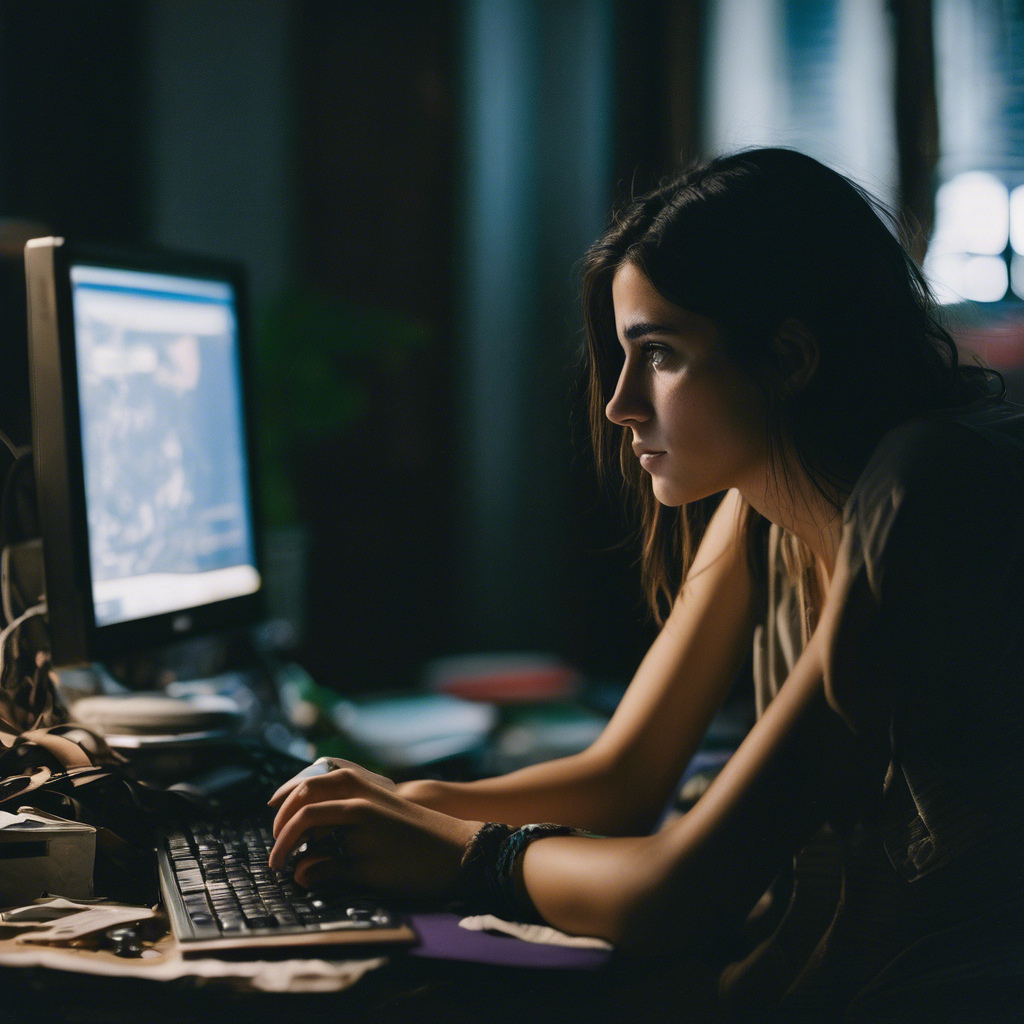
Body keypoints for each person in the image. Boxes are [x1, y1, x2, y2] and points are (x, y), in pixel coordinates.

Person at [267, 149, 1024, 1021]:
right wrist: (404, 805)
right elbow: (624, 779)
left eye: (657, 353)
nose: (621, 402)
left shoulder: (928, 486)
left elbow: (677, 893)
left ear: (787, 356)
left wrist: (463, 849)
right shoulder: (762, 501)